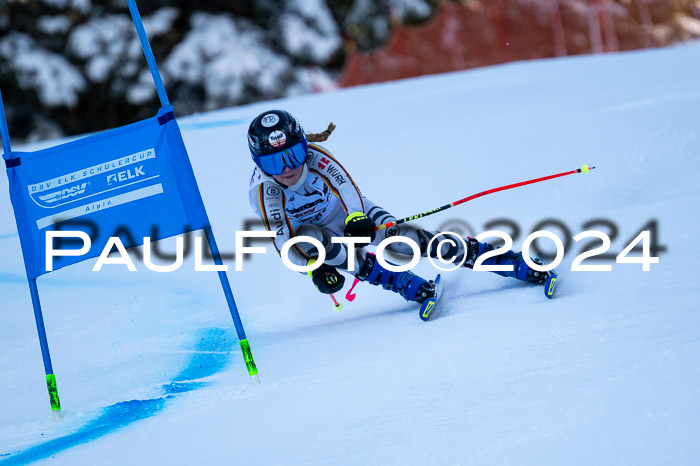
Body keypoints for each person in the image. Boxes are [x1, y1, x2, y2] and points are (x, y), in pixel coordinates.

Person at [247, 110, 551, 305]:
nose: (287, 169)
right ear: (260, 164)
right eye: (275, 162)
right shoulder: (265, 191)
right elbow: (284, 242)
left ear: (304, 147)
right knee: (314, 239)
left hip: (343, 211)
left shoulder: (316, 157)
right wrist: (314, 270)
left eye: (293, 155)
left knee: (405, 242)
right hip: (313, 236)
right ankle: (396, 280)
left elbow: (346, 187)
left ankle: (505, 261)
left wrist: (356, 218)